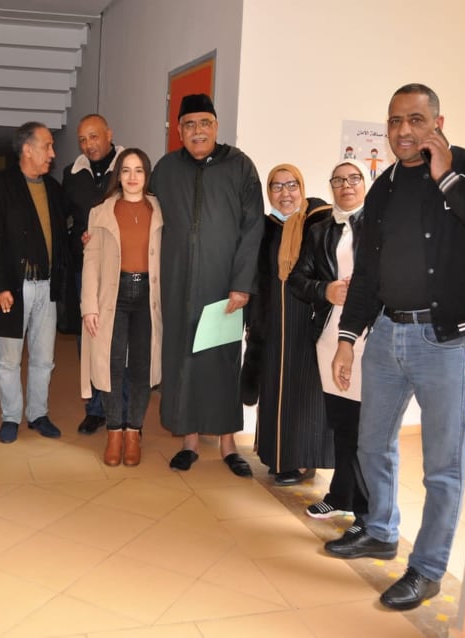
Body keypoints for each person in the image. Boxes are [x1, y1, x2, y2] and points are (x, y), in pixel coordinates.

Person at [325, 83, 465, 611]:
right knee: (371, 444)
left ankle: (427, 569)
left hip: (445, 342)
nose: (403, 131)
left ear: (438, 122)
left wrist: (447, 177)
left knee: (442, 465)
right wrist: (348, 339)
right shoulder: (383, 187)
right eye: (395, 121)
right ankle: (380, 530)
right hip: (386, 333)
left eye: (415, 119)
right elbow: (367, 272)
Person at [149, 93, 264, 477]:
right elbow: (143, 213)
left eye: (204, 123)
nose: (197, 131)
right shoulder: (166, 169)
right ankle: (190, 442)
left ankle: (229, 445)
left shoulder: (240, 166)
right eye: (189, 125)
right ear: (179, 131)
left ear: (215, 126)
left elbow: (253, 227)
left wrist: (242, 283)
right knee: (182, 359)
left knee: (222, 363)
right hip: (177, 283)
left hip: (223, 286)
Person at [287, 159, 372, 523]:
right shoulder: (321, 229)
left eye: (353, 178)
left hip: (370, 337)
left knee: (366, 427)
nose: (346, 185)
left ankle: (367, 514)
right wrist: (326, 290)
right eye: (338, 180)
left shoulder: (381, 226)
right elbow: (298, 279)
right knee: (341, 421)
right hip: (329, 335)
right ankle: (341, 495)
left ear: (365, 184)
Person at [242, 164, 332, 486]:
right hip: (271, 322)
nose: (285, 193)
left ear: (301, 187)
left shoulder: (318, 223)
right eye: (277, 187)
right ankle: (277, 457)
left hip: (306, 319)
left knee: (304, 393)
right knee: (275, 388)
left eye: (291, 185)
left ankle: (304, 459)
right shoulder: (264, 228)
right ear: (269, 193)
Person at [0, 122, 68, 443]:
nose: (52, 153)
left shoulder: (53, 189)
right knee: (9, 359)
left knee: (44, 358)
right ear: (27, 149)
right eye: (47, 146)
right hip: (14, 288)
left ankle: (38, 414)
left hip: (47, 286)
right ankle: (10, 417)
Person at [80, 148, 163, 466]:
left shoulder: (160, 210)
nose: (132, 177)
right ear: (118, 175)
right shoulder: (100, 212)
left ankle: (133, 432)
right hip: (112, 297)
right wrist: (89, 306)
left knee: (142, 368)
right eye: (126, 170)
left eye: (139, 170)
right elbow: (91, 261)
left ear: (147, 175)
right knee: (111, 366)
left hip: (148, 298)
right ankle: (114, 431)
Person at [63, 114, 126, 435]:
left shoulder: (129, 166)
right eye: (82, 140)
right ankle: (95, 408)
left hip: (123, 269)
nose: (88, 145)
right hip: (85, 268)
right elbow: (68, 220)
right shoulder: (72, 174)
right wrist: (80, 236)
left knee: (121, 338)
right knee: (89, 337)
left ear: (109, 134)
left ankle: (123, 409)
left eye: (94, 136)